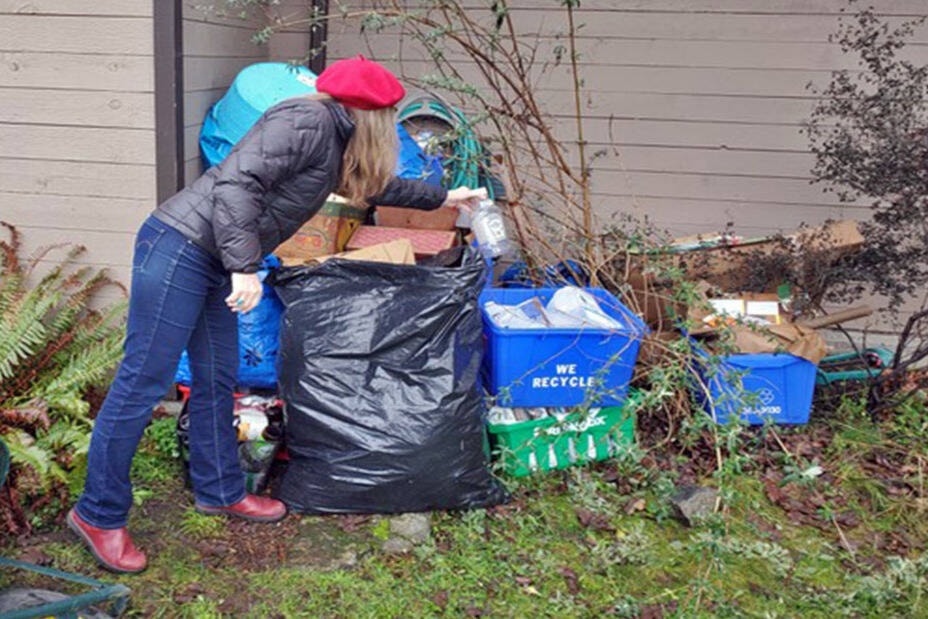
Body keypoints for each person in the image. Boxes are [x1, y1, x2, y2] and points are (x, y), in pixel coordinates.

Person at [67, 55, 484, 573]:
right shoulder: (305, 121)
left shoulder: (336, 136)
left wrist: (446, 195)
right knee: (141, 381)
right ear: (370, 111)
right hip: (180, 249)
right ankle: (98, 514)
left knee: (218, 376)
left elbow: (374, 188)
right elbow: (236, 185)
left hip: (213, 255)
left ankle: (219, 490)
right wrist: (244, 267)